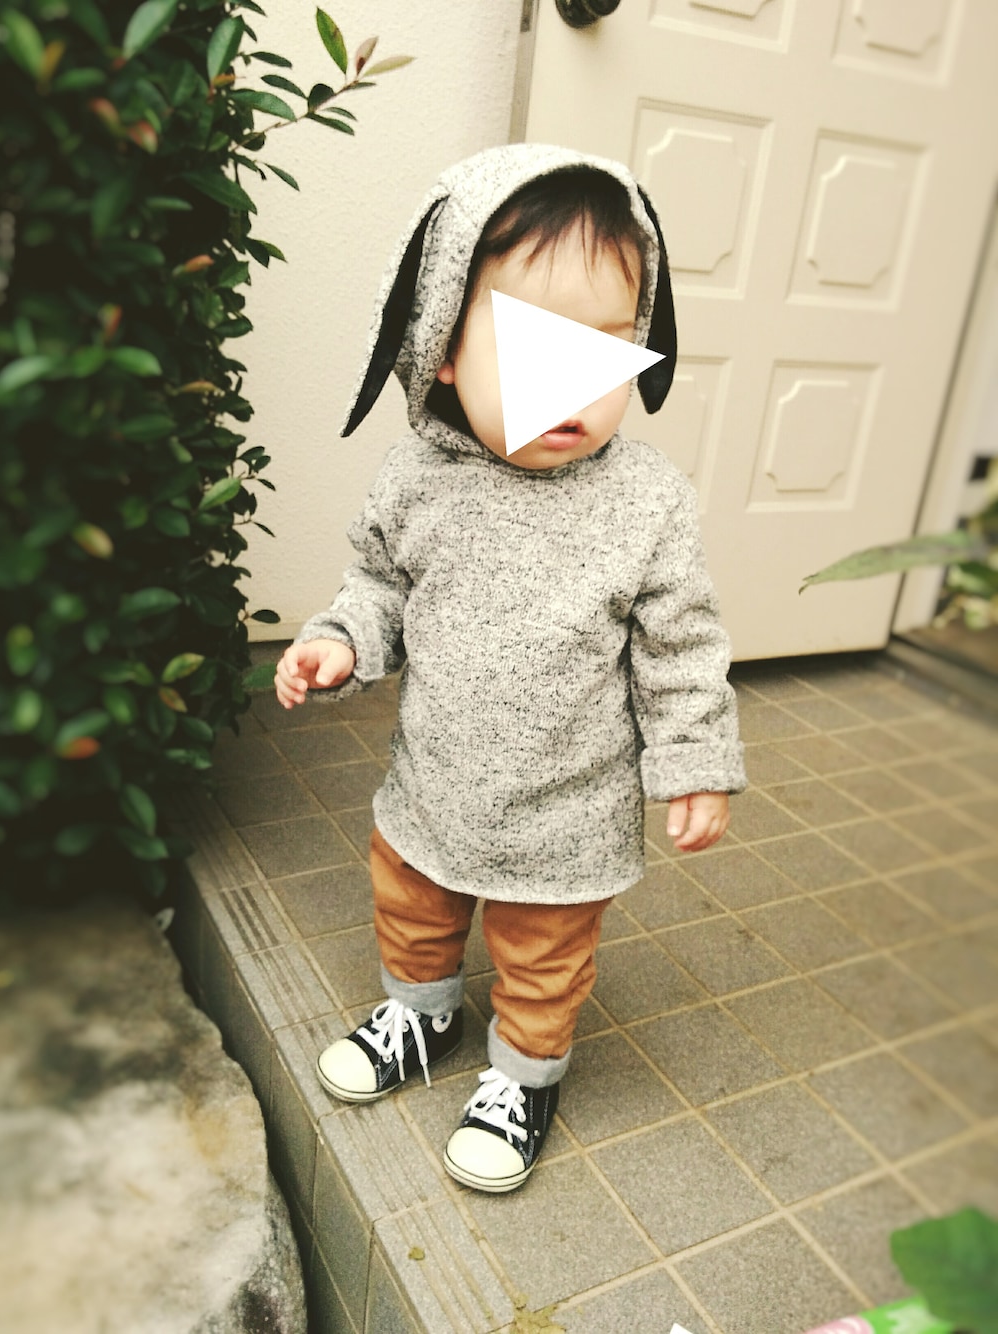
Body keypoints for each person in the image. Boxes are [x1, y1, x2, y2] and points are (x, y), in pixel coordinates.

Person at [274, 144, 746, 1193]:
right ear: (441, 347)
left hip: (565, 813)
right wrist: (341, 640)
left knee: (542, 957)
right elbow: (380, 585)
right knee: (412, 908)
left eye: (606, 346)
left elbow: (679, 648)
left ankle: (524, 1077)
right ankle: (421, 1015)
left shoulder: (645, 503)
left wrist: (696, 763)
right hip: (434, 785)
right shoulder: (420, 478)